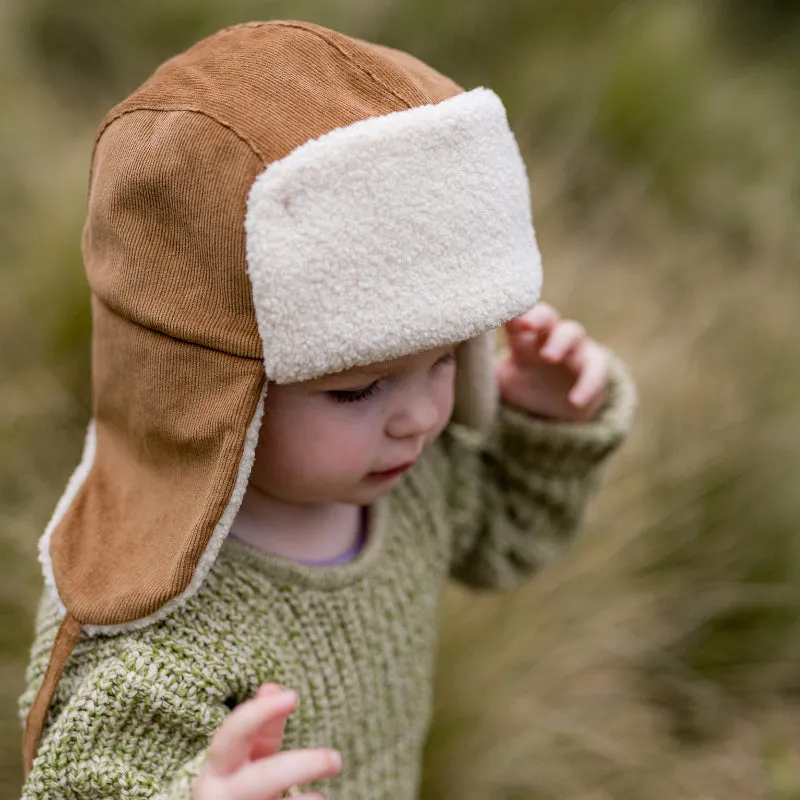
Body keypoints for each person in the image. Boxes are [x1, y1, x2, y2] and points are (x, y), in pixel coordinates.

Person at [18, 19, 637, 800]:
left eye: (445, 360)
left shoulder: (409, 483)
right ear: (209, 389)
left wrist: (551, 422)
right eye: (356, 388)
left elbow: (507, 538)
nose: (419, 417)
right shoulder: (156, 639)